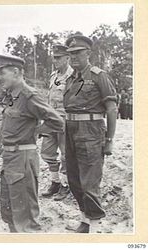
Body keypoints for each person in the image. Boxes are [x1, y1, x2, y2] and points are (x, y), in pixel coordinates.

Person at [0, 54, 65, 233]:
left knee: (25, 218)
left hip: (22, 159)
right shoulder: (11, 95)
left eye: (2, 72)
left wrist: (36, 131)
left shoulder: (29, 96)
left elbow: (57, 121)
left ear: (16, 72)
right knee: (9, 212)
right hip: (10, 158)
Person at [64, 35, 117, 233]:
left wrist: (109, 140)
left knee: (89, 181)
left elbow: (111, 109)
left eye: (78, 53)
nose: (73, 57)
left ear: (88, 53)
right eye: (70, 54)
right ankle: (85, 220)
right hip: (70, 130)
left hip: (91, 131)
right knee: (74, 179)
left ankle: (94, 227)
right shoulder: (70, 78)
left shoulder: (98, 76)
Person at [39, 44, 73, 201]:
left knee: (66, 154)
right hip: (51, 119)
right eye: (54, 58)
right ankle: (55, 182)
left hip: (65, 120)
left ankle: (66, 186)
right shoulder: (53, 76)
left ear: (67, 57)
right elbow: (48, 99)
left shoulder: (73, 76)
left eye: (59, 58)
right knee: (46, 152)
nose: (55, 61)